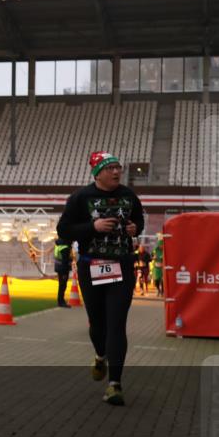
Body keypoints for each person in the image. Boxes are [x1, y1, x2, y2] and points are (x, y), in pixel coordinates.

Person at [57, 151, 144, 407]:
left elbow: (139, 219)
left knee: (117, 324)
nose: (116, 172)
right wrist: (91, 228)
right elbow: (63, 230)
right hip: (91, 267)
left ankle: (115, 384)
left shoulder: (129, 195)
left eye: (118, 167)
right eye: (110, 168)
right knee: (98, 323)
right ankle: (100, 355)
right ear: (97, 173)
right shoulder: (81, 197)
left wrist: (134, 228)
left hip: (122, 266)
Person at [53, 238, 73, 307]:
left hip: (59, 267)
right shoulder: (65, 248)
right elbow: (65, 262)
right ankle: (61, 301)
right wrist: (64, 273)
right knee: (63, 285)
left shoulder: (58, 246)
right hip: (63, 269)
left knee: (61, 285)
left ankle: (60, 300)